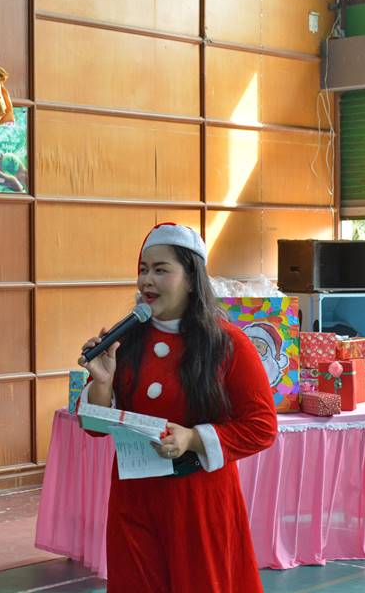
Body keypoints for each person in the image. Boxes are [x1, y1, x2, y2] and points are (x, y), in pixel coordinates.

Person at [79, 223, 278, 593]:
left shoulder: (227, 344)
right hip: (133, 501)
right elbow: (94, 427)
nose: (147, 280)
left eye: (160, 270)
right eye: (143, 269)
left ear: (190, 279)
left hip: (199, 504)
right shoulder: (125, 342)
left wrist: (193, 439)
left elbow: (262, 426)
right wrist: (103, 382)